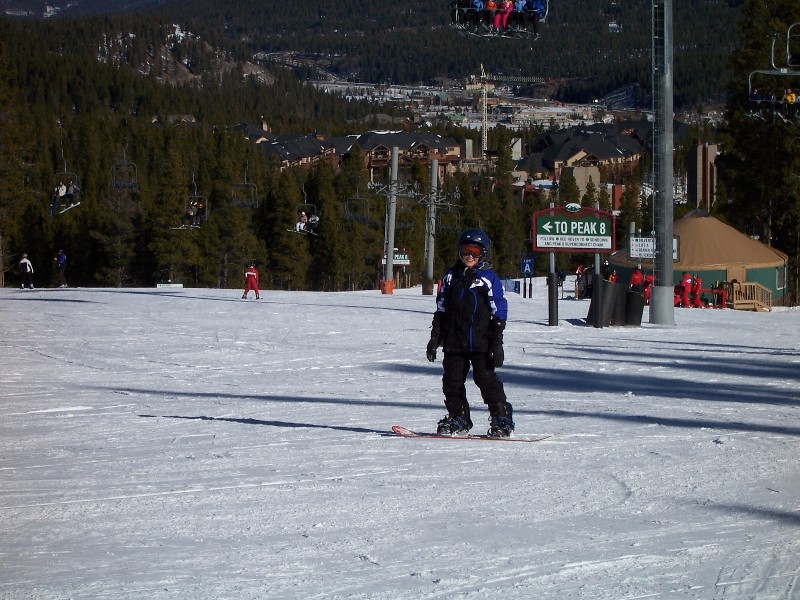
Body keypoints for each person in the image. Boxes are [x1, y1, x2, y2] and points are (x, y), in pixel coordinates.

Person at [426, 228, 513, 438]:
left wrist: (496, 343)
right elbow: (442, 308)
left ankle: (501, 416)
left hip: (480, 341)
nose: (470, 256)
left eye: (475, 251)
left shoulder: (488, 279)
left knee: (485, 379)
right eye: (466, 251)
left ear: (483, 253)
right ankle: (459, 417)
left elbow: (499, 310)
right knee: (452, 381)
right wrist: (435, 338)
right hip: (454, 341)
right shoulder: (450, 277)